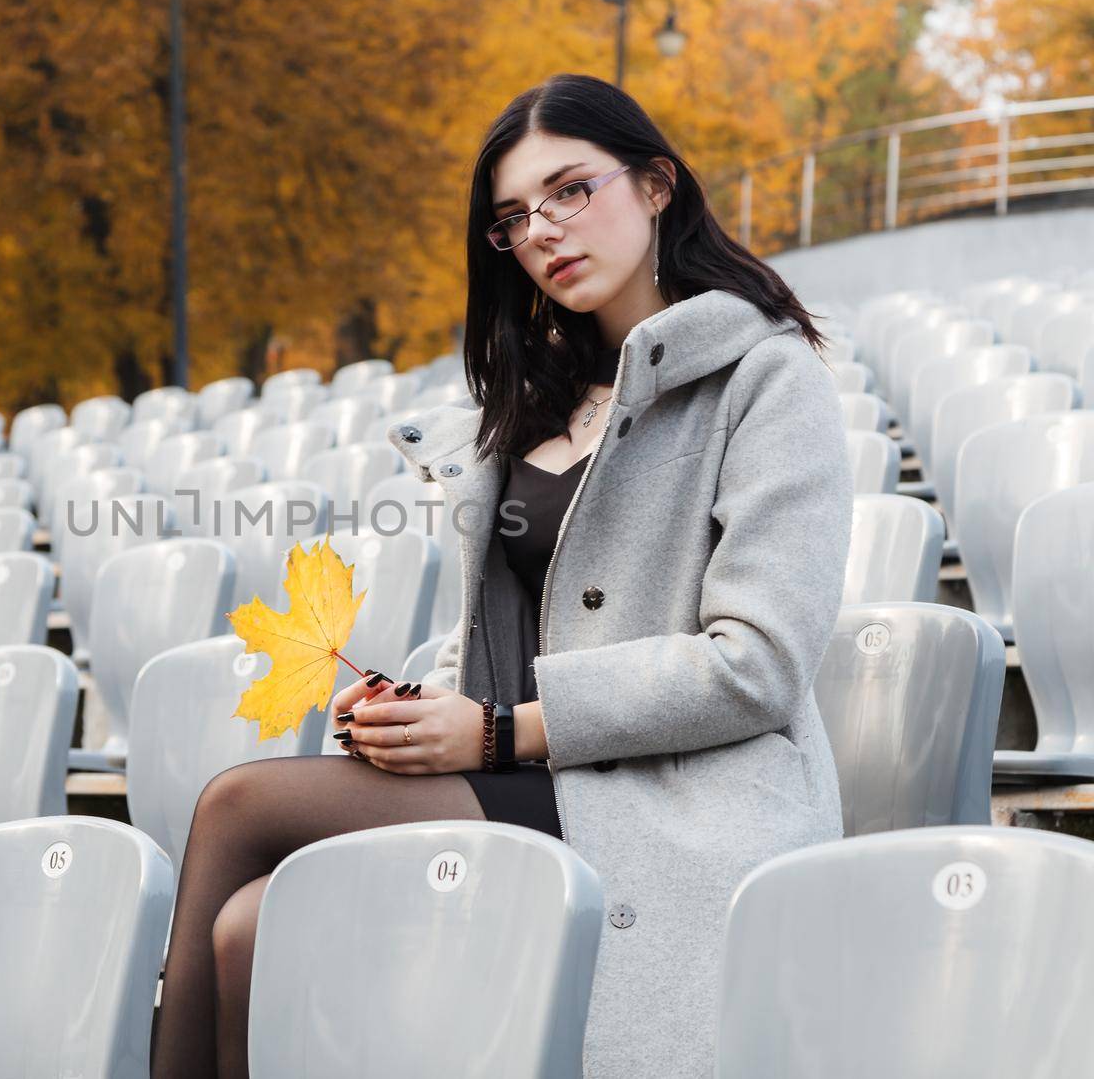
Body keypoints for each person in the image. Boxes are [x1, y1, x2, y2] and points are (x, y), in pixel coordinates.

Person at [149, 72, 853, 1078]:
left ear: (655, 185)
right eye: (514, 218)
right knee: (252, 927)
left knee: (236, 806)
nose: (544, 232)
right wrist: (417, 704)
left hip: (679, 805)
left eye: (570, 191)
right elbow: (501, 632)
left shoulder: (766, 380)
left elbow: (758, 666)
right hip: (537, 777)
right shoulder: (535, 399)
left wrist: (489, 731)